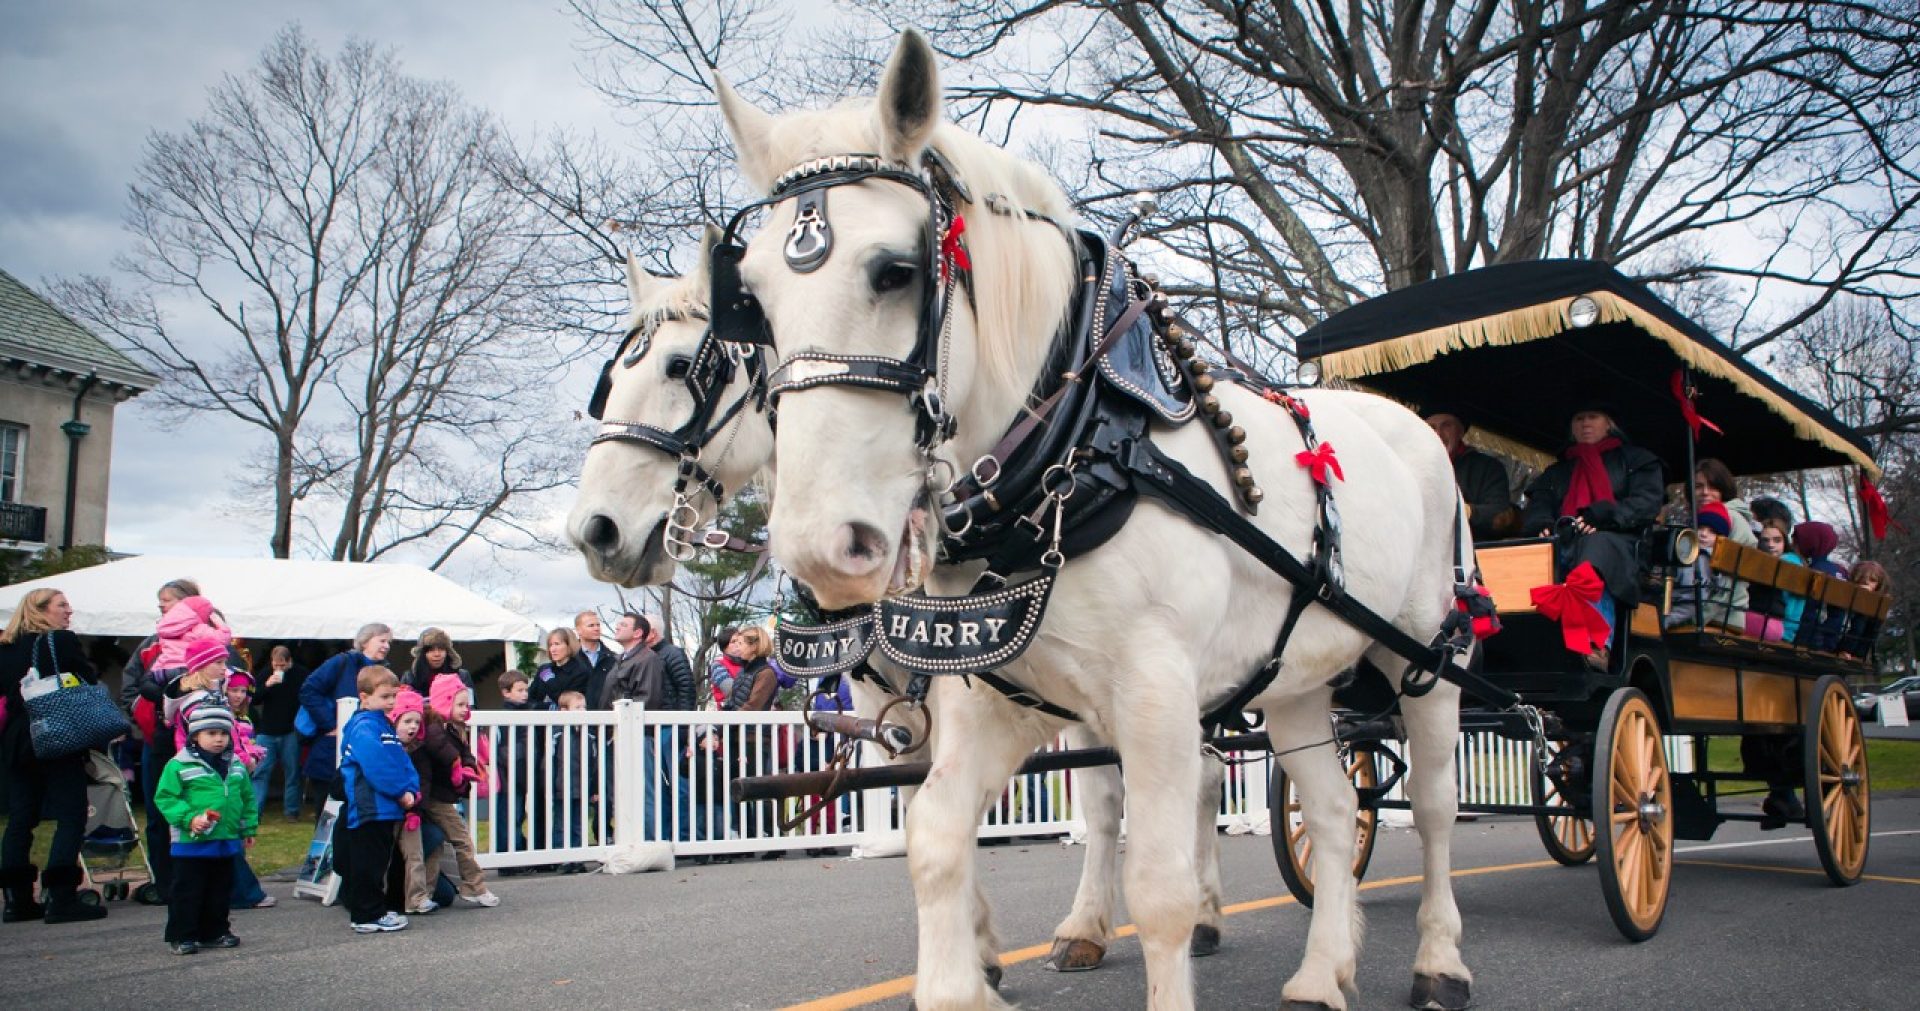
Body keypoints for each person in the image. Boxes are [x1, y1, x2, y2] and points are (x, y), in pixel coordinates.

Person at [1517, 401, 1664, 669]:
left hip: (1620, 544)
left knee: (1595, 549)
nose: (1585, 423)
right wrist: (1541, 522)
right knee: (1527, 557)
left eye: (1592, 417)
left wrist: (1607, 516)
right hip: (1565, 539)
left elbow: (1647, 501)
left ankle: (1597, 642)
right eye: (1579, 418)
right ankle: (1520, 644)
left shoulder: (1636, 460)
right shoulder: (1558, 471)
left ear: (1609, 424)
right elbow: (1539, 503)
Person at [0, 588, 108, 924]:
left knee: (21, 817)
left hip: (18, 737)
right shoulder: (58, 641)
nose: (69, 611)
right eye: (62, 605)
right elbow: (88, 678)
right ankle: (61, 896)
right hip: (56, 732)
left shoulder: (5, 645)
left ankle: (17, 900)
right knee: (71, 813)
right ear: (41, 610)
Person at [153, 699, 256, 954]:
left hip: (225, 840)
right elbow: (166, 798)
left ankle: (216, 930)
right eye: (211, 733)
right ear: (195, 736)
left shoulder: (235, 766)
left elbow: (246, 798)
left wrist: (248, 828)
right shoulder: (179, 765)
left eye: (224, 733)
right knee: (188, 890)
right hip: (191, 842)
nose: (219, 739)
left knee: (220, 890)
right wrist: (189, 818)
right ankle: (183, 934)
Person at [331, 665, 418, 934]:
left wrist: (413, 790)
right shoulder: (364, 727)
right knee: (367, 863)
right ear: (364, 697)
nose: (391, 702)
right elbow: (377, 766)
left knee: (378, 861)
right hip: (370, 807)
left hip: (385, 807)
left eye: (393, 696)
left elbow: (402, 761)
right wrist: (400, 791)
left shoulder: (383, 725)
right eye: (384, 697)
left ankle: (373, 909)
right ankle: (366, 914)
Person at [422, 674, 500, 906]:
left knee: (436, 845)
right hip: (437, 798)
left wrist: (468, 765)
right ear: (445, 702)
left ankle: (425, 891)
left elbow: (465, 752)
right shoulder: (436, 728)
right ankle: (474, 886)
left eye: (467, 704)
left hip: (442, 796)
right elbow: (442, 749)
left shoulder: (455, 729)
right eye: (460, 704)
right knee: (462, 840)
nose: (465, 709)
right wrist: (458, 764)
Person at [299, 622, 392, 791]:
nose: (387, 646)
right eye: (382, 641)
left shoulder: (385, 672)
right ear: (365, 641)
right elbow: (309, 690)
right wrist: (330, 723)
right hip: (331, 748)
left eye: (388, 642)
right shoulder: (342, 662)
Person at [1424, 407, 1515, 540]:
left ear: (1461, 431)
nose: (1438, 434)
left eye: (1446, 425)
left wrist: (1465, 511)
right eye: (1431, 427)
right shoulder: (1410, 467)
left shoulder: (1488, 468)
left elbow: (1501, 514)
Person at [388, 688, 438, 915]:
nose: (412, 727)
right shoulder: (386, 747)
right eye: (407, 721)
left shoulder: (419, 752)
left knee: (415, 855)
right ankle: (381, 898)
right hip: (389, 811)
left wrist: (415, 804)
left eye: (417, 722)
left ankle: (417, 898)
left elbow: (424, 783)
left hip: (412, 813)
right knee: (383, 857)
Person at [1664, 503, 1749, 630]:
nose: (1703, 534)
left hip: (1689, 603)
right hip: (1680, 598)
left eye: (1712, 532)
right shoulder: (1688, 550)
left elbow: (1701, 592)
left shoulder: (1707, 557)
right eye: (1701, 528)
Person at [250, 645, 308, 819]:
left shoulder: (301, 674)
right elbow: (253, 699)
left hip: (290, 730)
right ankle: (255, 812)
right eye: (276, 665)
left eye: (282, 666)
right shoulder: (265, 673)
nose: (279, 669)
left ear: (290, 661)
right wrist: (267, 685)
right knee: (260, 772)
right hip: (267, 731)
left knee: (292, 772)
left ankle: (291, 811)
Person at [552, 691, 600, 873]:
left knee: (579, 822)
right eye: (577, 707)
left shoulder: (589, 736)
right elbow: (548, 762)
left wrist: (594, 788)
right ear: (563, 711)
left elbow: (595, 764)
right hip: (561, 786)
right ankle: (563, 858)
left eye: (584, 707)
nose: (583, 711)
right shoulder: (557, 733)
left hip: (582, 787)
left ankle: (578, 857)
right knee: (561, 823)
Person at [1792, 521, 1849, 650]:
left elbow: (1808, 610)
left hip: (1804, 638)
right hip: (1830, 641)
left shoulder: (1812, 570)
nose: (1792, 545)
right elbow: (1837, 615)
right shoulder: (1841, 572)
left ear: (1808, 543)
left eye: (1796, 541)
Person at [1693, 459, 1758, 546]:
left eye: (1713, 487)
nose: (1705, 492)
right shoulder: (1692, 517)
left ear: (1723, 489)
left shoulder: (1733, 518)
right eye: (1698, 487)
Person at [530, 627, 591, 711]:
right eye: (551, 645)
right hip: (541, 721)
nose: (553, 649)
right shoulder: (544, 669)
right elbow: (531, 698)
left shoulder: (580, 672)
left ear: (569, 645)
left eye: (557, 644)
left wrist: (550, 681)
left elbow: (567, 703)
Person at [1839, 561, 1891, 658]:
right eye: (1862, 580)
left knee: (1867, 624)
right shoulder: (1849, 594)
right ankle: (1846, 651)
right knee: (1859, 623)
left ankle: (1852, 652)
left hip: (1860, 647)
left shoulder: (1878, 602)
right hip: (1844, 639)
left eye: (1872, 580)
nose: (1867, 584)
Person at [404, 627, 469, 694]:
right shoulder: (409, 678)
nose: (437, 654)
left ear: (448, 652)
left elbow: (471, 703)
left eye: (441, 649)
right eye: (431, 650)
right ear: (423, 653)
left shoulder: (462, 676)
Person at [575, 611, 616, 708]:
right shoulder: (570, 658)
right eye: (591, 625)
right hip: (577, 719)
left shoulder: (613, 659)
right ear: (578, 630)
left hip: (606, 718)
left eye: (598, 625)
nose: (596, 628)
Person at [709, 626, 742, 708]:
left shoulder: (748, 663)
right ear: (724, 647)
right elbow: (731, 690)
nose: (738, 644)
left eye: (740, 640)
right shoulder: (717, 666)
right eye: (733, 641)